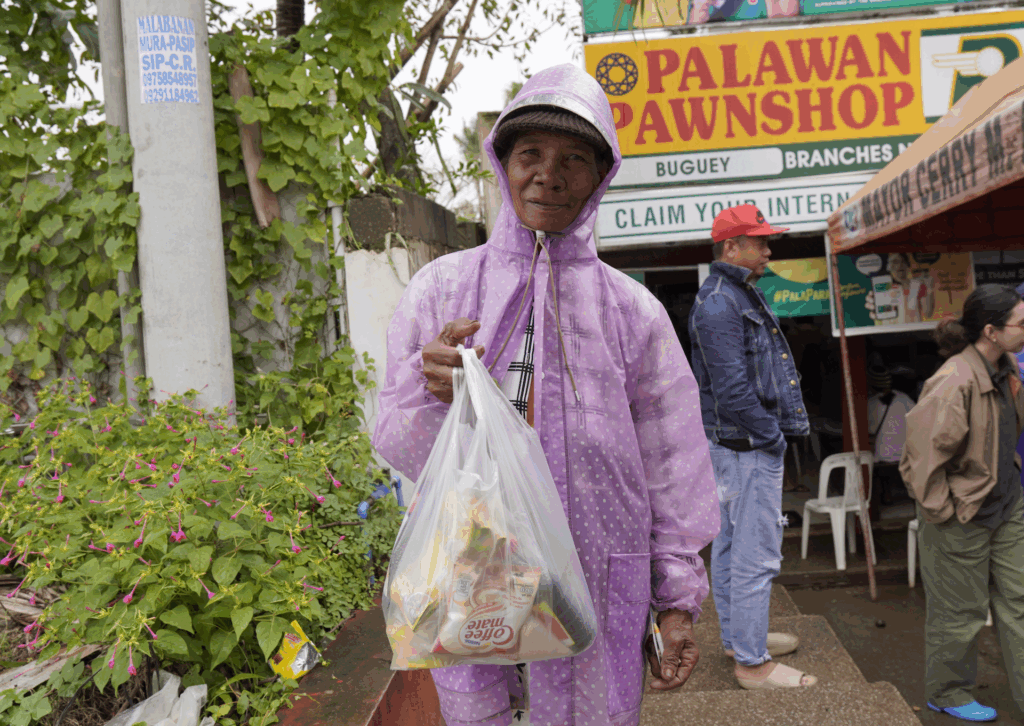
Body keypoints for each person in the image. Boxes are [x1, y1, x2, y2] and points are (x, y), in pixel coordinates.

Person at [372, 64, 720, 726]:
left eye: (574, 160)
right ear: (502, 164)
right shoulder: (442, 292)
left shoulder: (634, 313)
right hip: (474, 566)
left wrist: (675, 601)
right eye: (530, 154)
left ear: (600, 176)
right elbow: (395, 437)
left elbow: (673, 468)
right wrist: (431, 390)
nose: (549, 175)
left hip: (599, 569)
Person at [688, 205, 815, 690]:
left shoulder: (733, 294)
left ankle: (739, 639)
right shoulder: (722, 302)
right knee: (754, 554)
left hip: (737, 445)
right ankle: (752, 662)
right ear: (730, 247)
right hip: (745, 446)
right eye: (759, 241)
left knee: (729, 546)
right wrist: (771, 437)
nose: (768, 250)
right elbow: (733, 391)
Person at [900, 284, 1024, 723]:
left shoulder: (1005, 367)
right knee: (960, 613)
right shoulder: (954, 380)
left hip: (1007, 504)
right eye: (1021, 323)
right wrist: (943, 513)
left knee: (1020, 602)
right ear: (991, 331)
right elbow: (919, 461)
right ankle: (948, 692)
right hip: (961, 512)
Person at [867, 364, 916, 506]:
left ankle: (885, 496)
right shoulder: (904, 399)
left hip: (883, 456)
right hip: (906, 454)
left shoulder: (870, 404)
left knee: (875, 454)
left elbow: (869, 431)